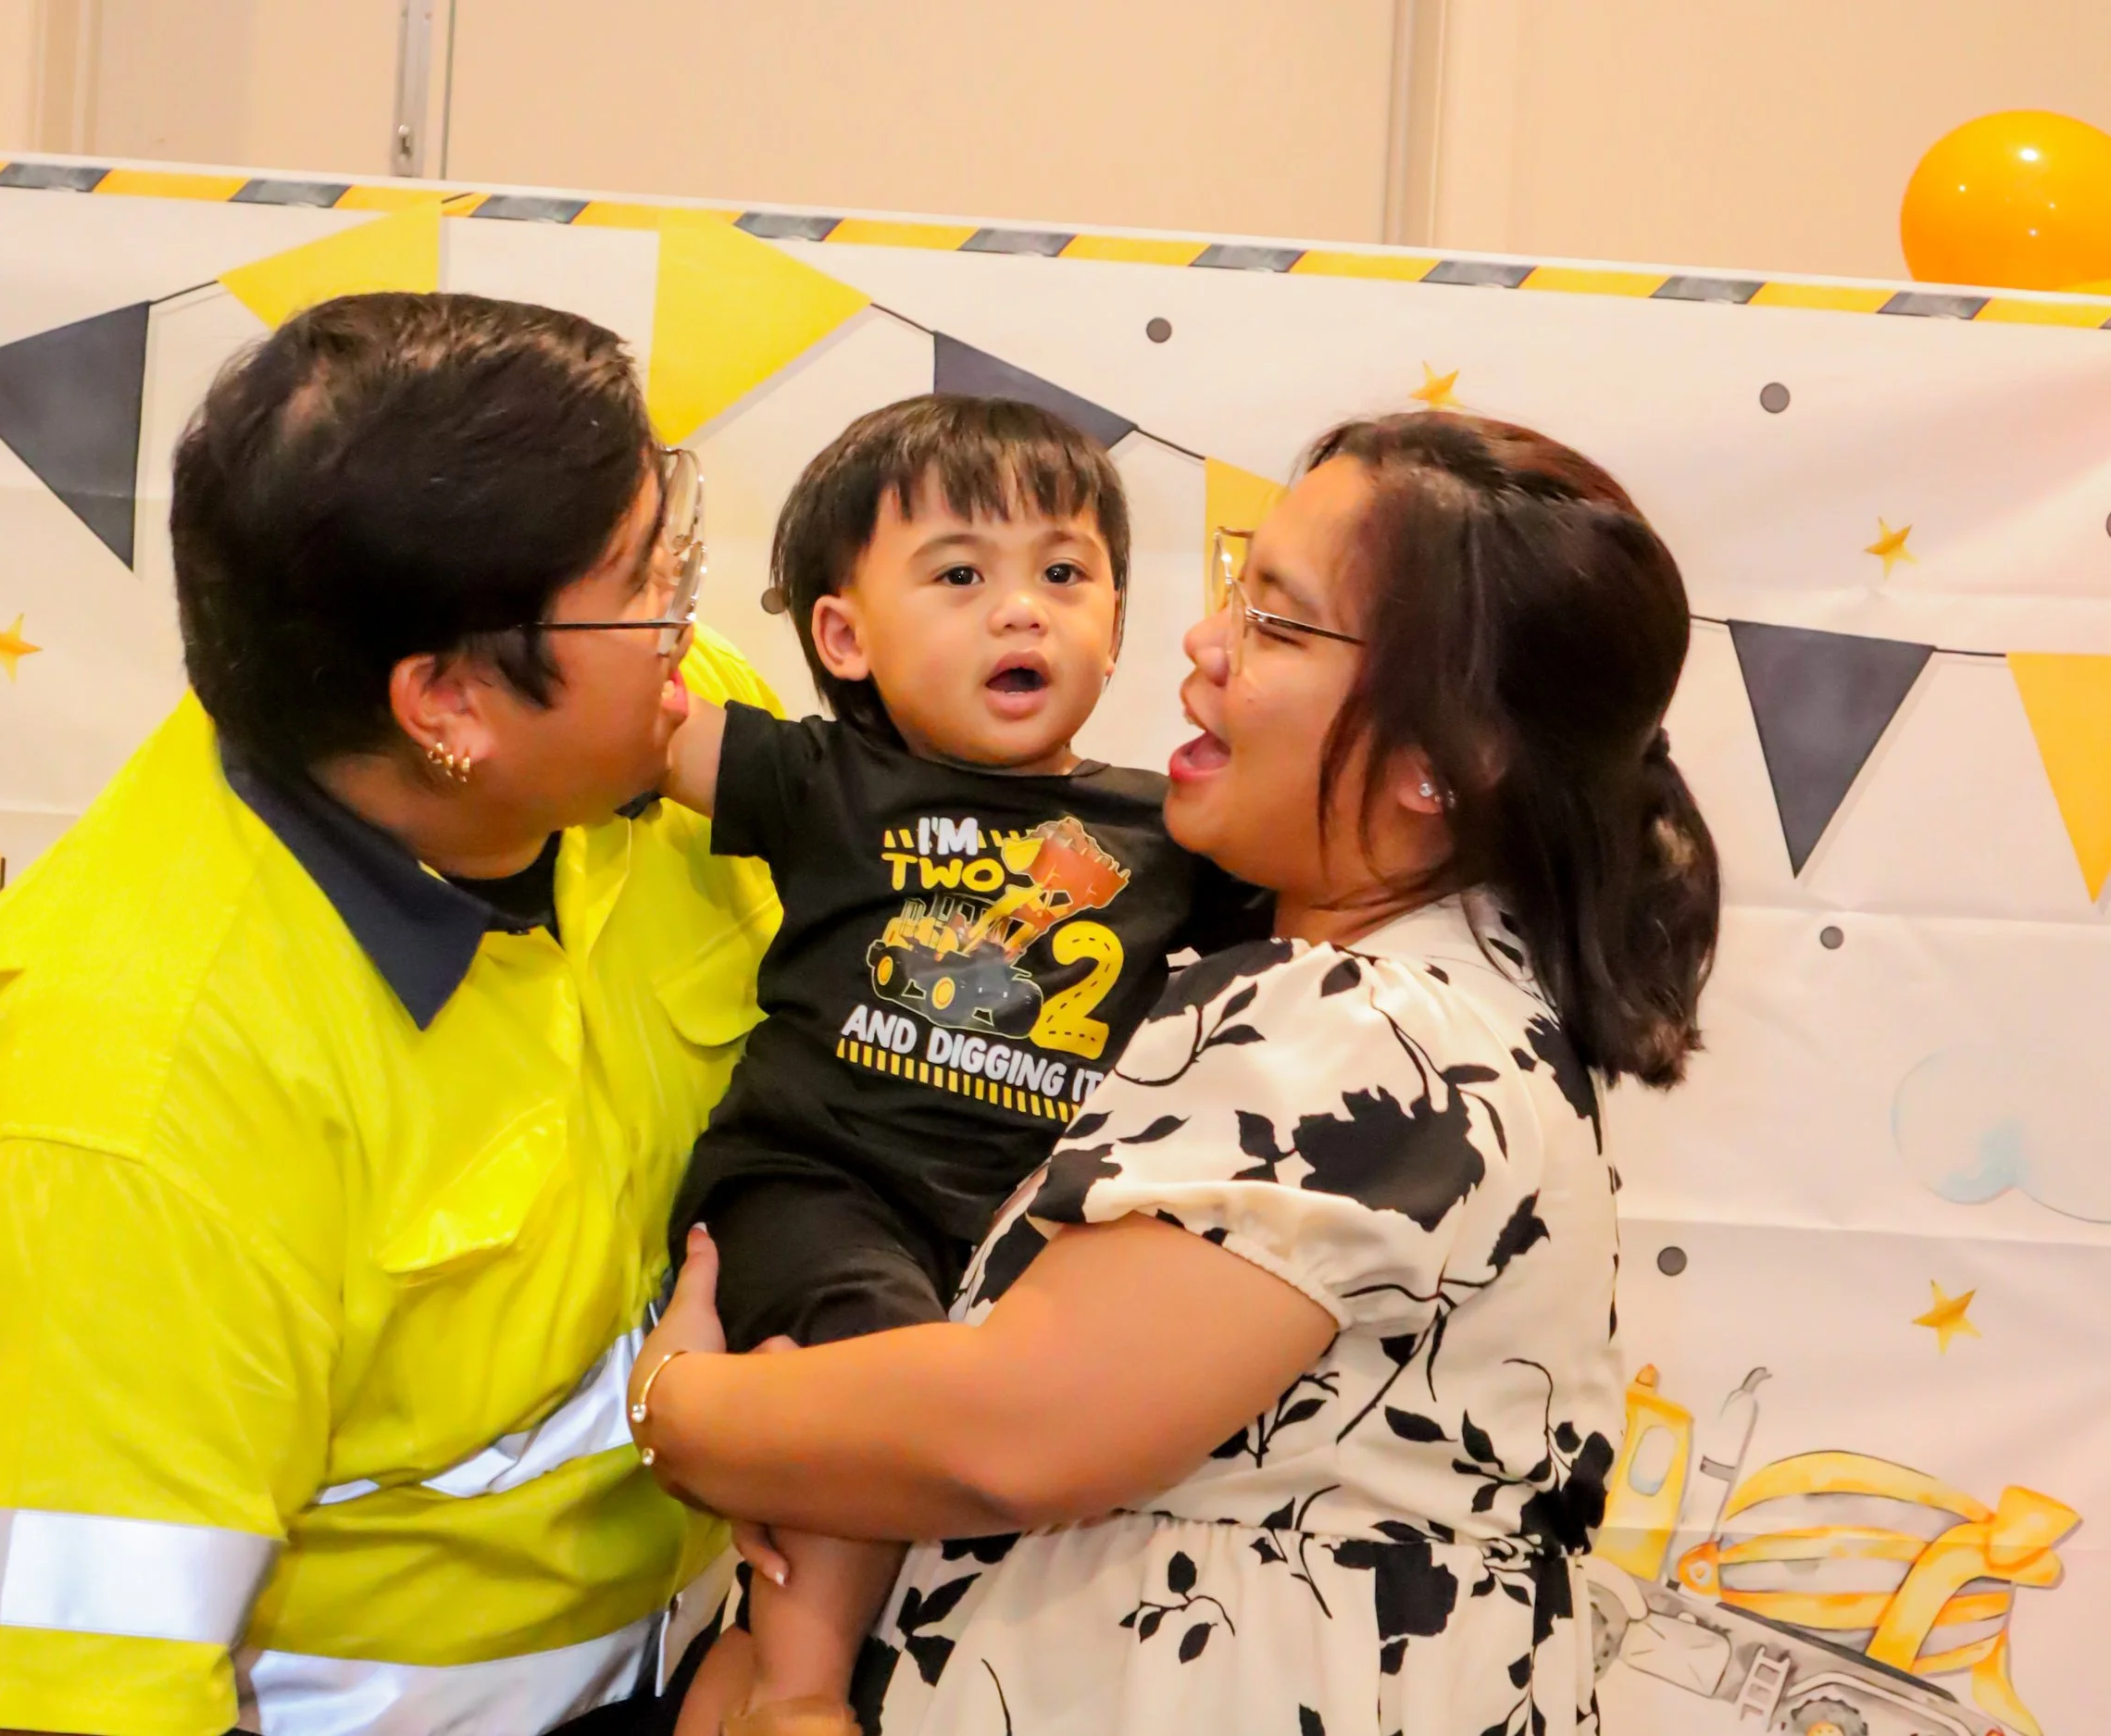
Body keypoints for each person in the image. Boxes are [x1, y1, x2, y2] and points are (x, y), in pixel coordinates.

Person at [628, 411, 1724, 1735]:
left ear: (1449, 753)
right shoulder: (1391, 984)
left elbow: (1009, 1430)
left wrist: (677, 1402)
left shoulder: (1372, 1030)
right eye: (1231, 588)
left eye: (1277, 620)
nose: (1201, 645)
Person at [0, 293, 783, 1736]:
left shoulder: (653, 736)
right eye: (648, 578)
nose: (689, 617)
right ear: (449, 704)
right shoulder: (116, 1117)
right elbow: (64, 1707)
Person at [652, 396, 1266, 1735]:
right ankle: (800, 1690)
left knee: (1036, 1437)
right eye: (959, 575)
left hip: (1024, 1221)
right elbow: (644, 724)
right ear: (844, 635)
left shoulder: (1171, 830)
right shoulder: (831, 780)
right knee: (879, 1367)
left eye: (1064, 572)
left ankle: (769, 1675)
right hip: (822, 1181)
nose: (1021, 612)